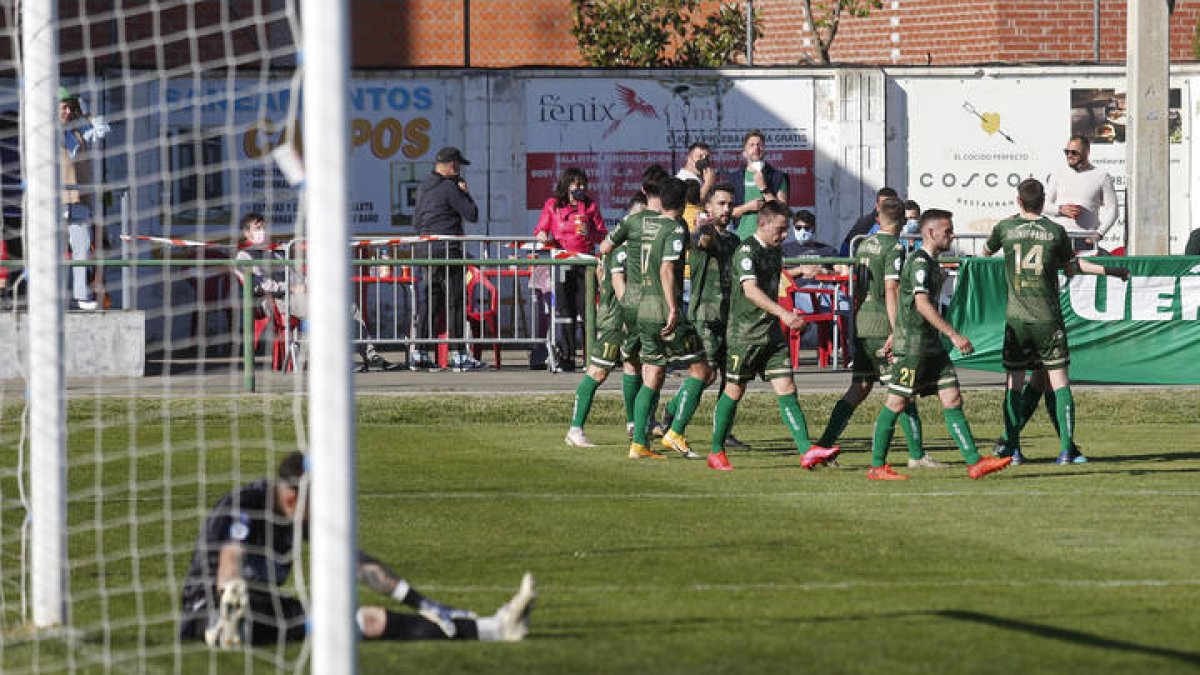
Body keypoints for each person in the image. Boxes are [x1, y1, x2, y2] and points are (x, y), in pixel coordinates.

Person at [180, 451, 536, 647]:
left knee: (368, 619)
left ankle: (496, 628)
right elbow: (229, 561)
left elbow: (357, 566)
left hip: (266, 612)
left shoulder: (296, 517)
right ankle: (224, 625)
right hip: (206, 607)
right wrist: (231, 595)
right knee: (238, 609)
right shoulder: (245, 505)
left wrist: (422, 603)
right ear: (292, 498)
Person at [983, 179, 1130, 465]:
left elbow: (984, 256)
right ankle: (1065, 450)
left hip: (1016, 319)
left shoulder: (1005, 228)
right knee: (1059, 382)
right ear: (1043, 202)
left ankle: (1012, 448)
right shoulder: (1054, 231)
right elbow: (1072, 266)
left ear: (1018, 200)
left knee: (1015, 383)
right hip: (1047, 318)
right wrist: (1108, 270)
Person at [864, 209, 1012, 481]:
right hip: (914, 348)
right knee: (896, 402)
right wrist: (954, 335)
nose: (952, 235)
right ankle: (876, 466)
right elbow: (921, 305)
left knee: (952, 397)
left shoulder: (932, 263)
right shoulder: (919, 262)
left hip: (932, 347)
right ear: (930, 232)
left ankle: (974, 462)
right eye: (948, 230)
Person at [811, 196, 942, 468]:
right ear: (904, 220)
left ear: (878, 217)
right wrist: (897, 330)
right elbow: (891, 288)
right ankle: (916, 455)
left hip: (861, 322)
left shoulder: (863, 245)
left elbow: (857, 287)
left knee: (859, 388)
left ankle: (822, 447)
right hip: (882, 324)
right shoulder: (894, 247)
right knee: (902, 389)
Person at [708, 201, 838, 472]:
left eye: (785, 230)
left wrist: (790, 310)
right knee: (734, 390)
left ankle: (806, 451)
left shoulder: (775, 250)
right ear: (763, 224)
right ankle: (716, 451)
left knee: (787, 387)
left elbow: (776, 281)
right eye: (780, 230)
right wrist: (785, 314)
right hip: (744, 335)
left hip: (770, 333)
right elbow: (751, 291)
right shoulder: (746, 251)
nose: (785, 236)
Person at [602, 177, 711, 460]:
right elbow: (666, 270)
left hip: (637, 308)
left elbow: (604, 248)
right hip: (661, 307)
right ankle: (675, 431)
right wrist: (673, 307)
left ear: (661, 200)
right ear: (684, 202)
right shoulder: (676, 228)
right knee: (701, 369)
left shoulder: (636, 222)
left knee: (652, 373)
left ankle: (638, 443)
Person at [234, 213, 399, 372]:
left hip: (296, 295)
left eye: (263, 226)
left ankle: (372, 357)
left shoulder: (274, 252)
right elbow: (257, 285)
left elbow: (295, 275)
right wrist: (288, 287)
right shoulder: (244, 255)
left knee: (348, 306)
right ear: (246, 232)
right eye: (257, 227)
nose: (262, 230)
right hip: (274, 301)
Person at [657, 183, 748, 450]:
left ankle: (723, 431)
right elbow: (701, 241)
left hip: (729, 317)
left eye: (730, 204)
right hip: (704, 316)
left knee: (732, 377)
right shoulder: (702, 234)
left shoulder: (734, 241)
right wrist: (704, 227)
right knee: (705, 374)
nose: (727, 209)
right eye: (721, 203)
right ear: (707, 207)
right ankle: (675, 427)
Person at [564, 193, 646, 447]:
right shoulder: (621, 250)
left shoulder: (639, 249)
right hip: (615, 321)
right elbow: (617, 285)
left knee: (633, 366)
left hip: (633, 320)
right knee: (598, 371)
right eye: (637, 217)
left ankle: (633, 423)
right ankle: (575, 429)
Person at [411, 146, 483, 372]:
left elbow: (416, 222)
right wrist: (465, 193)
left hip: (426, 251)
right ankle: (459, 355)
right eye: (458, 165)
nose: (459, 169)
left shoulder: (424, 187)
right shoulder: (450, 187)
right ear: (452, 165)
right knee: (456, 301)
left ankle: (420, 354)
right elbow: (471, 214)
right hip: (448, 251)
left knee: (430, 303)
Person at [534, 168, 607, 372]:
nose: (580, 189)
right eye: (576, 185)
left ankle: (589, 356)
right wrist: (541, 234)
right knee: (565, 311)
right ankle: (566, 356)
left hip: (585, 263)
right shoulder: (553, 205)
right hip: (562, 262)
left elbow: (602, 235)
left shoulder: (590, 206)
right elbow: (541, 228)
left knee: (586, 310)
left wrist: (590, 232)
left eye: (583, 185)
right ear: (567, 186)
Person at [59, 87, 111, 310]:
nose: (67, 111)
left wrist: (86, 113)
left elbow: (102, 129)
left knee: (81, 248)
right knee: (53, 250)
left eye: (70, 107)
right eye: (63, 107)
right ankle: (54, 298)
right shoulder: (42, 133)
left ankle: (81, 296)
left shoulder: (76, 133)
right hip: (54, 201)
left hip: (77, 199)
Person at [1045, 134, 1118, 252]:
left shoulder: (1101, 175)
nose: (1069, 155)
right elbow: (1044, 205)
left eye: (1074, 152)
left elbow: (1113, 210)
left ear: (1087, 152)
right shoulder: (1058, 173)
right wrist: (1060, 210)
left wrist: (1099, 233)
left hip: (1085, 240)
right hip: (1060, 237)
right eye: (1066, 152)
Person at [726, 129, 788, 240]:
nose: (756, 148)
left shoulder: (778, 177)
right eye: (752, 145)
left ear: (765, 151)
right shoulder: (733, 178)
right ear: (744, 152)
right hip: (741, 238)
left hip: (770, 239)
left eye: (760, 145)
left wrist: (764, 188)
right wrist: (747, 207)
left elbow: (782, 211)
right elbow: (725, 213)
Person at [839, 187, 898, 257]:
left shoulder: (903, 220)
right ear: (877, 206)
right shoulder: (866, 223)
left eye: (890, 205)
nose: (887, 208)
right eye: (884, 204)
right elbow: (848, 245)